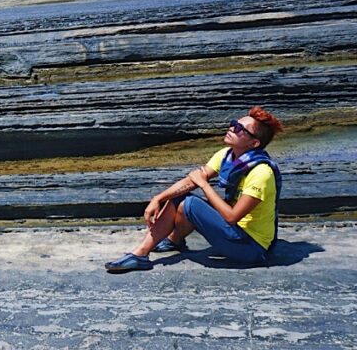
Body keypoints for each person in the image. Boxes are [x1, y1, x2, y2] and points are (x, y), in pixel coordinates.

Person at [105, 106, 284, 273]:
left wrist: (204, 184)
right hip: (235, 233)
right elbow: (190, 182)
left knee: (190, 203)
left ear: (254, 143)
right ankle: (152, 249)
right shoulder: (227, 156)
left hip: (251, 248)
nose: (231, 128)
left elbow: (231, 217)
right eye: (233, 124)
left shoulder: (261, 172)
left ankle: (142, 255)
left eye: (239, 129)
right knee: (179, 198)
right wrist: (158, 198)